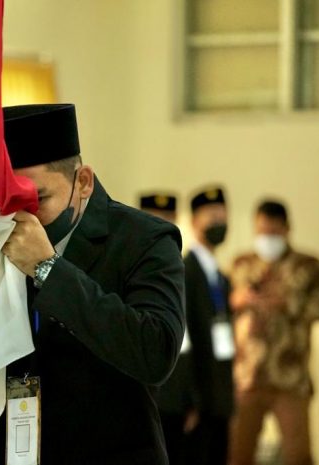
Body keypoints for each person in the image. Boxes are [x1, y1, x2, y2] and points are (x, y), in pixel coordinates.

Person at [0, 104, 186, 464]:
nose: (20, 220)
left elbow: (156, 352)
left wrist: (47, 268)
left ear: (82, 182)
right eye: (4, 204)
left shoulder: (141, 239)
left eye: (36, 201)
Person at [229, 200, 319, 465]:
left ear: (287, 229)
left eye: (273, 232)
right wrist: (239, 300)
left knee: (298, 455)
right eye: (261, 231)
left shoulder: (308, 266)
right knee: (236, 454)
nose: (266, 238)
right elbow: (218, 306)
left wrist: (288, 303)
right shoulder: (242, 264)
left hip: (290, 379)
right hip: (247, 378)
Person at [141, 193, 198, 465]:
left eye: (168, 220)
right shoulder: (131, 268)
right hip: (144, 394)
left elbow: (191, 342)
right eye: (154, 217)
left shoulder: (180, 271)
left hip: (177, 394)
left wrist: (192, 398)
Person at [185, 187, 234, 465]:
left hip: (219, 395)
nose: (219, 222)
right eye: (211, 215)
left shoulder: (220, 276)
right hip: (199, 398)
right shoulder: (186, 271)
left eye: (223, 215)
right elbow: (185, 340)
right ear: (194, 222)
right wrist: (188, 398)